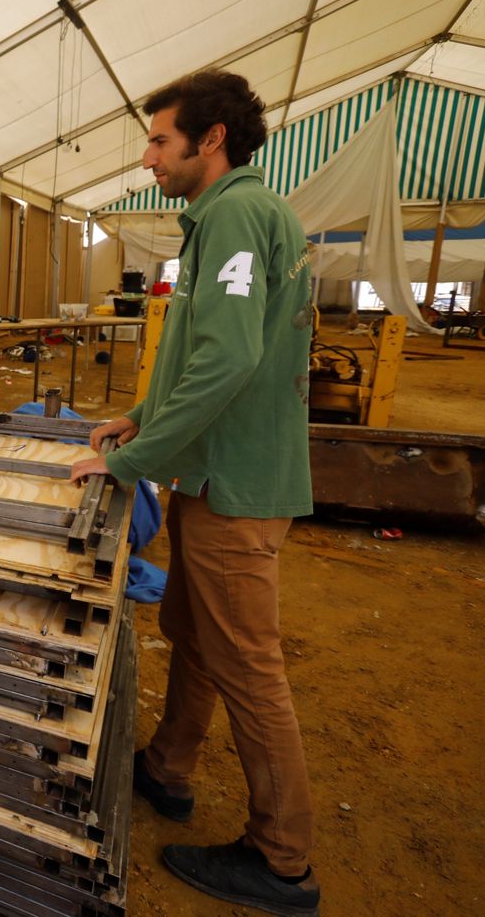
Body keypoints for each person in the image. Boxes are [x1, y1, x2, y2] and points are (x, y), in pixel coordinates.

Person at [69, 71, 318, 915]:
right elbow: (193, 356)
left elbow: (229, 359)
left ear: (209, 140)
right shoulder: (220, 218)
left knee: (247, 664)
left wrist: (129, 466)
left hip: (238, 481)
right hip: (213, 470)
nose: (147, 159)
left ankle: (282, 861)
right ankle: (169, 770)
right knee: (196, 630)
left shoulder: (240, 215)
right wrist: (140, 421)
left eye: (158, 141)